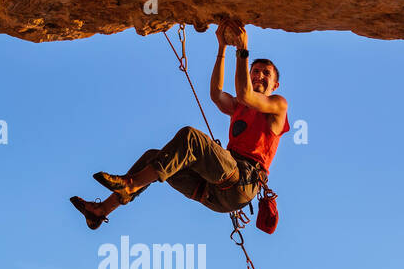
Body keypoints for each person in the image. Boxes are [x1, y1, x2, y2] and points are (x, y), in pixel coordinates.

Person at [70, 22, 290, 228]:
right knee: (152, 157)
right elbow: (216, 94)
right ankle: (101, 211)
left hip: (241, 181)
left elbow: (244, 93)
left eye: (266, 73)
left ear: (276, 84)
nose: (259, 75)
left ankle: (130, 184)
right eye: (255, 72)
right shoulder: (240, 106)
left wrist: (242, 49)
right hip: (213, 190)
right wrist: (221, 47)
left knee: (191, 138)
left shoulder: (278, 105)